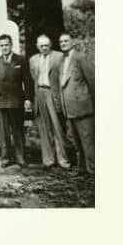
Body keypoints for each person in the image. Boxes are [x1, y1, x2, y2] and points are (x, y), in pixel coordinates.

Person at [0, 34, 32, 168]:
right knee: (4, 132)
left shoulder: (21, 60)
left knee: (18, 131)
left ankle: (20, 158)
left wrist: (28, 98)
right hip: (0, 101)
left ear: (11, 45)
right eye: (2, 45)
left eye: (6, 45)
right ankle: (6, 158)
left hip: (16, 101)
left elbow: (28, 81)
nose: (4, 47)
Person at [29, 35, 70, 170]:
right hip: (39, 93)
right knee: (44, 128)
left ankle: (63, 160)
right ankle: (48, 160)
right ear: (37, 46)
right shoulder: (33, 59)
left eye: (46, 45)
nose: (44, 48)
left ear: (51, 45)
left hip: (53, 94)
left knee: (58, 127)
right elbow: (32, 80)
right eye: (41, 46)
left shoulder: (59, 57)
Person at [59, 32, 95, 175]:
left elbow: (92, 82)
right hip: (69, 108)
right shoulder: (62, 60)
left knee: (88, 140)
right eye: (61, 42)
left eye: (66, 41)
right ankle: (81, 169)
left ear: (72, 42)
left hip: (83, 107)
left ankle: (93, 170)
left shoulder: (81, 57)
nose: (63, 44)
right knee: (76, 141)